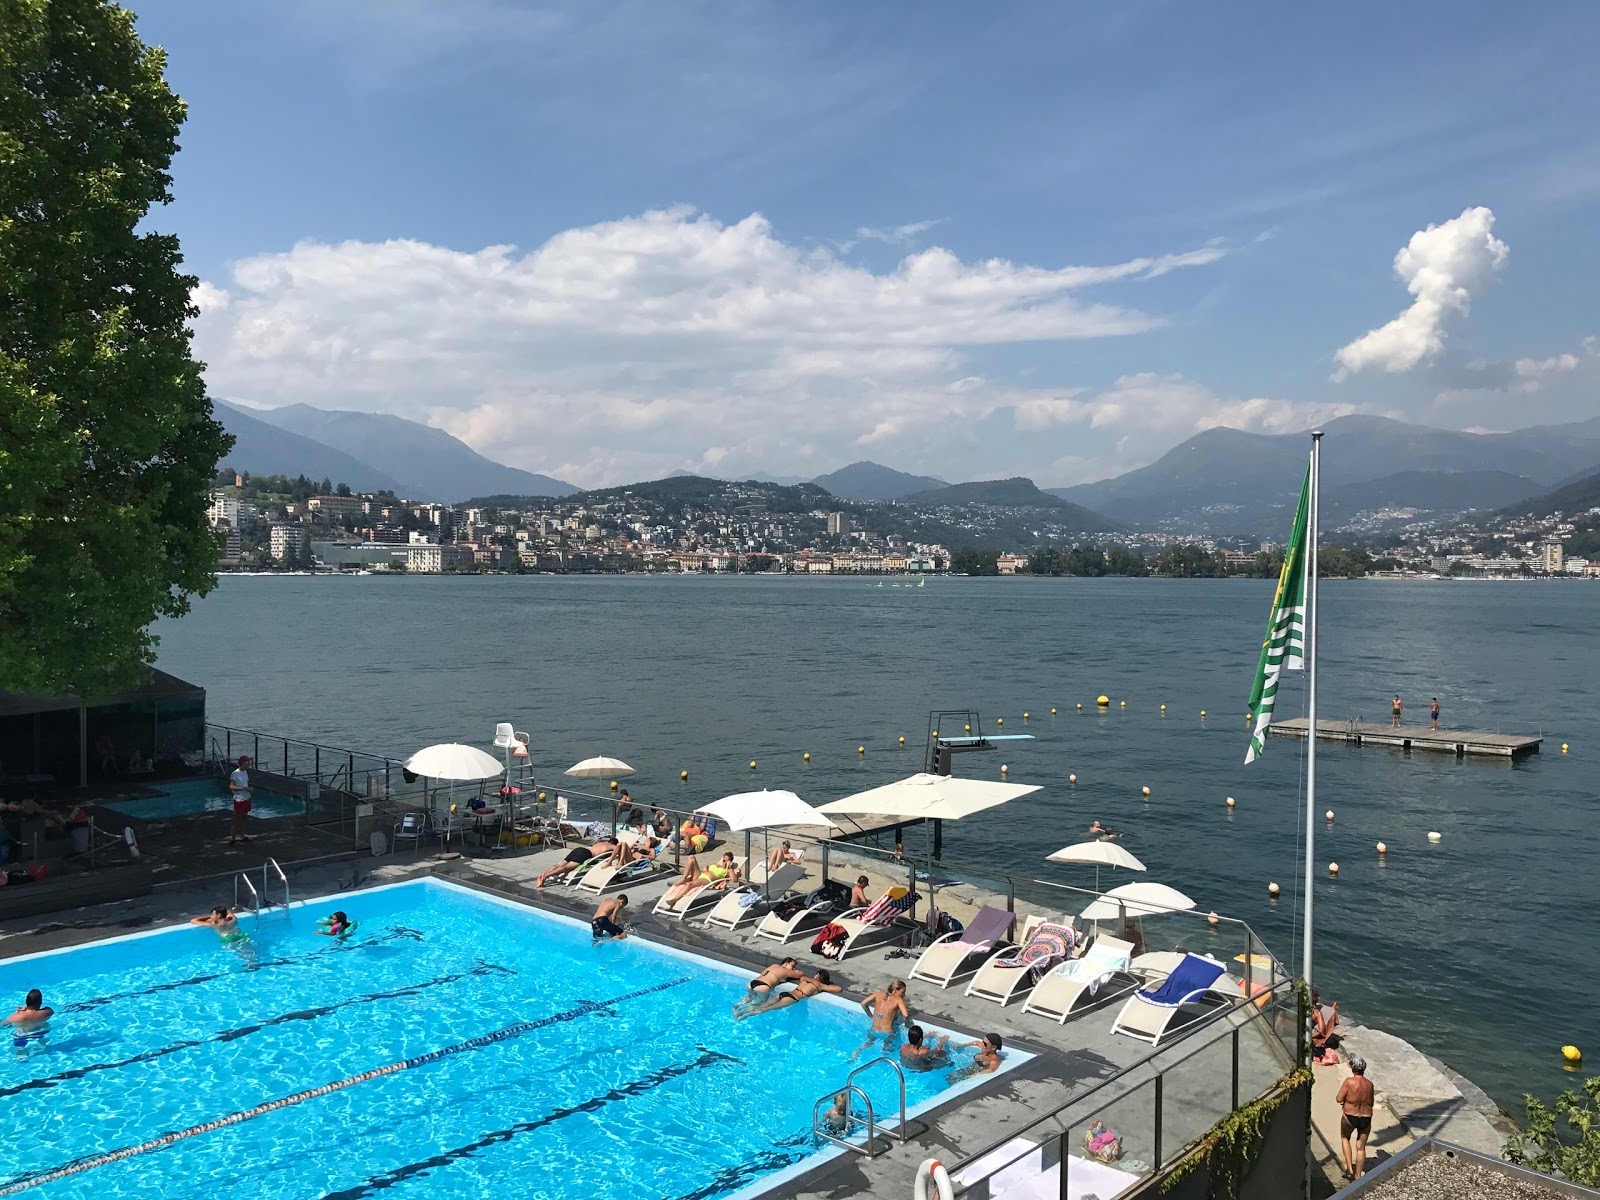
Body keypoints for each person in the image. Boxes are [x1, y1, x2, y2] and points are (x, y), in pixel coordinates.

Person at [734, 968, 840, 1019]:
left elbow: (801, 976)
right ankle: (745, 1016)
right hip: (792, 998)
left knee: (763, 1005)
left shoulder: (804, 979)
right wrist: (827, 984)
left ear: (816, 975)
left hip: (785, 993)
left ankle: (741, 1012)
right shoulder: (820, 985)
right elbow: (838, 989)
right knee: (767, 1009)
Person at [1336, 1056, 1375, 1179]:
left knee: (1345, 1137)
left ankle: (1349, 1169)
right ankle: (1358, 1175)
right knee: (1361, 1147)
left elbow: (1339, 1099)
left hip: (1350, 1115)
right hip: (1366, 1118)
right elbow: (1371, 1102)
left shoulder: (1349, 1082)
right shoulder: (1370, 1084)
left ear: (1353, 1068)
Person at [735, 957, 804, 1013]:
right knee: (762, 1002)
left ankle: (736, 1006)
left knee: (750, 997)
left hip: (752, 983)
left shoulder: (774, 965)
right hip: (763, 986)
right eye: (792, 966)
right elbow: (801, 974)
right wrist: (796, 971)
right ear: (786, 963)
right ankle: (743, 1011)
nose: (793, 968)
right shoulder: (787, 971)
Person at [534, 840, 615, 887]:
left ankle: (544, 873)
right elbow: (618, 848)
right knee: (567, 868)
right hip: (585, 853)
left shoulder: (600, 842)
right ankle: (546, 876)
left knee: (560, 865)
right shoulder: (610, 846)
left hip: (579, 849)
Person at [228, 755, 253, 845]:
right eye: (247, 763)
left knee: (244, 818)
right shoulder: (235, 773)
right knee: (237, 819)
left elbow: (246, 784)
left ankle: (242, 835)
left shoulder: (245, 772)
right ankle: (233, 837)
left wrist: (248, 789)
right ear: (242, 763)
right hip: (239, 799)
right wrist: (243, 788)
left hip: (247, 798)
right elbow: (231, 786)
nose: (249, 764)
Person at [1312, 988, 1339, 1062]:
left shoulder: (1303, 1009)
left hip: (1307, 1028)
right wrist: (1310, 1036)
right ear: (1318, 999)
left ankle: (1332, 1008)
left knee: (1327, 1013)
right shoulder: (1317, 1013)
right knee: (1329, 1015)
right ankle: (1332, 1009)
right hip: (1312, 1032)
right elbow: (1321, 1031)